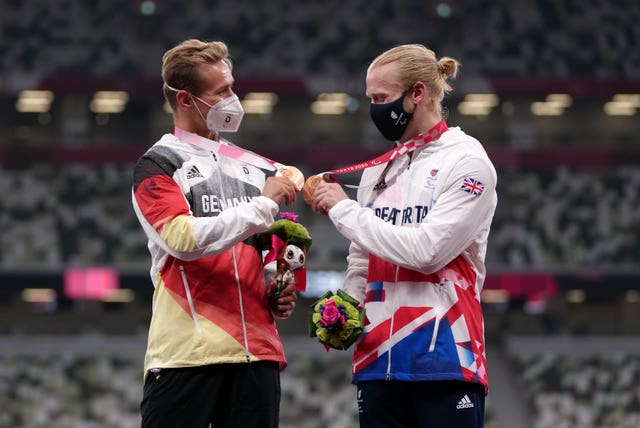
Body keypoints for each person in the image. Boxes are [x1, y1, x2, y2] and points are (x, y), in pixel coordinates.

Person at [311, 44, 497, 428]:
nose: (375, 108)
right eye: (371, 98)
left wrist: (340, 209)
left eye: (381, 98)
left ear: (417, 93)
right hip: (377, 361)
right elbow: (362, 259)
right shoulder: (376, 172)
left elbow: (427, 252)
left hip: (445, 359)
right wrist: (343, 307)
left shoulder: (467, 162)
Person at [132, 39, 299, 428]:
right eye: (221, 92)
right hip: (187, 356)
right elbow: (182, 240)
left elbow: (259, 250)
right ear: (186, 99)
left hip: (257, 354)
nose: (233, 99)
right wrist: (265, 204)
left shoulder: (250, 167)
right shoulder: (158, 164)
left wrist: (274, 283)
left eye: (232, 87)